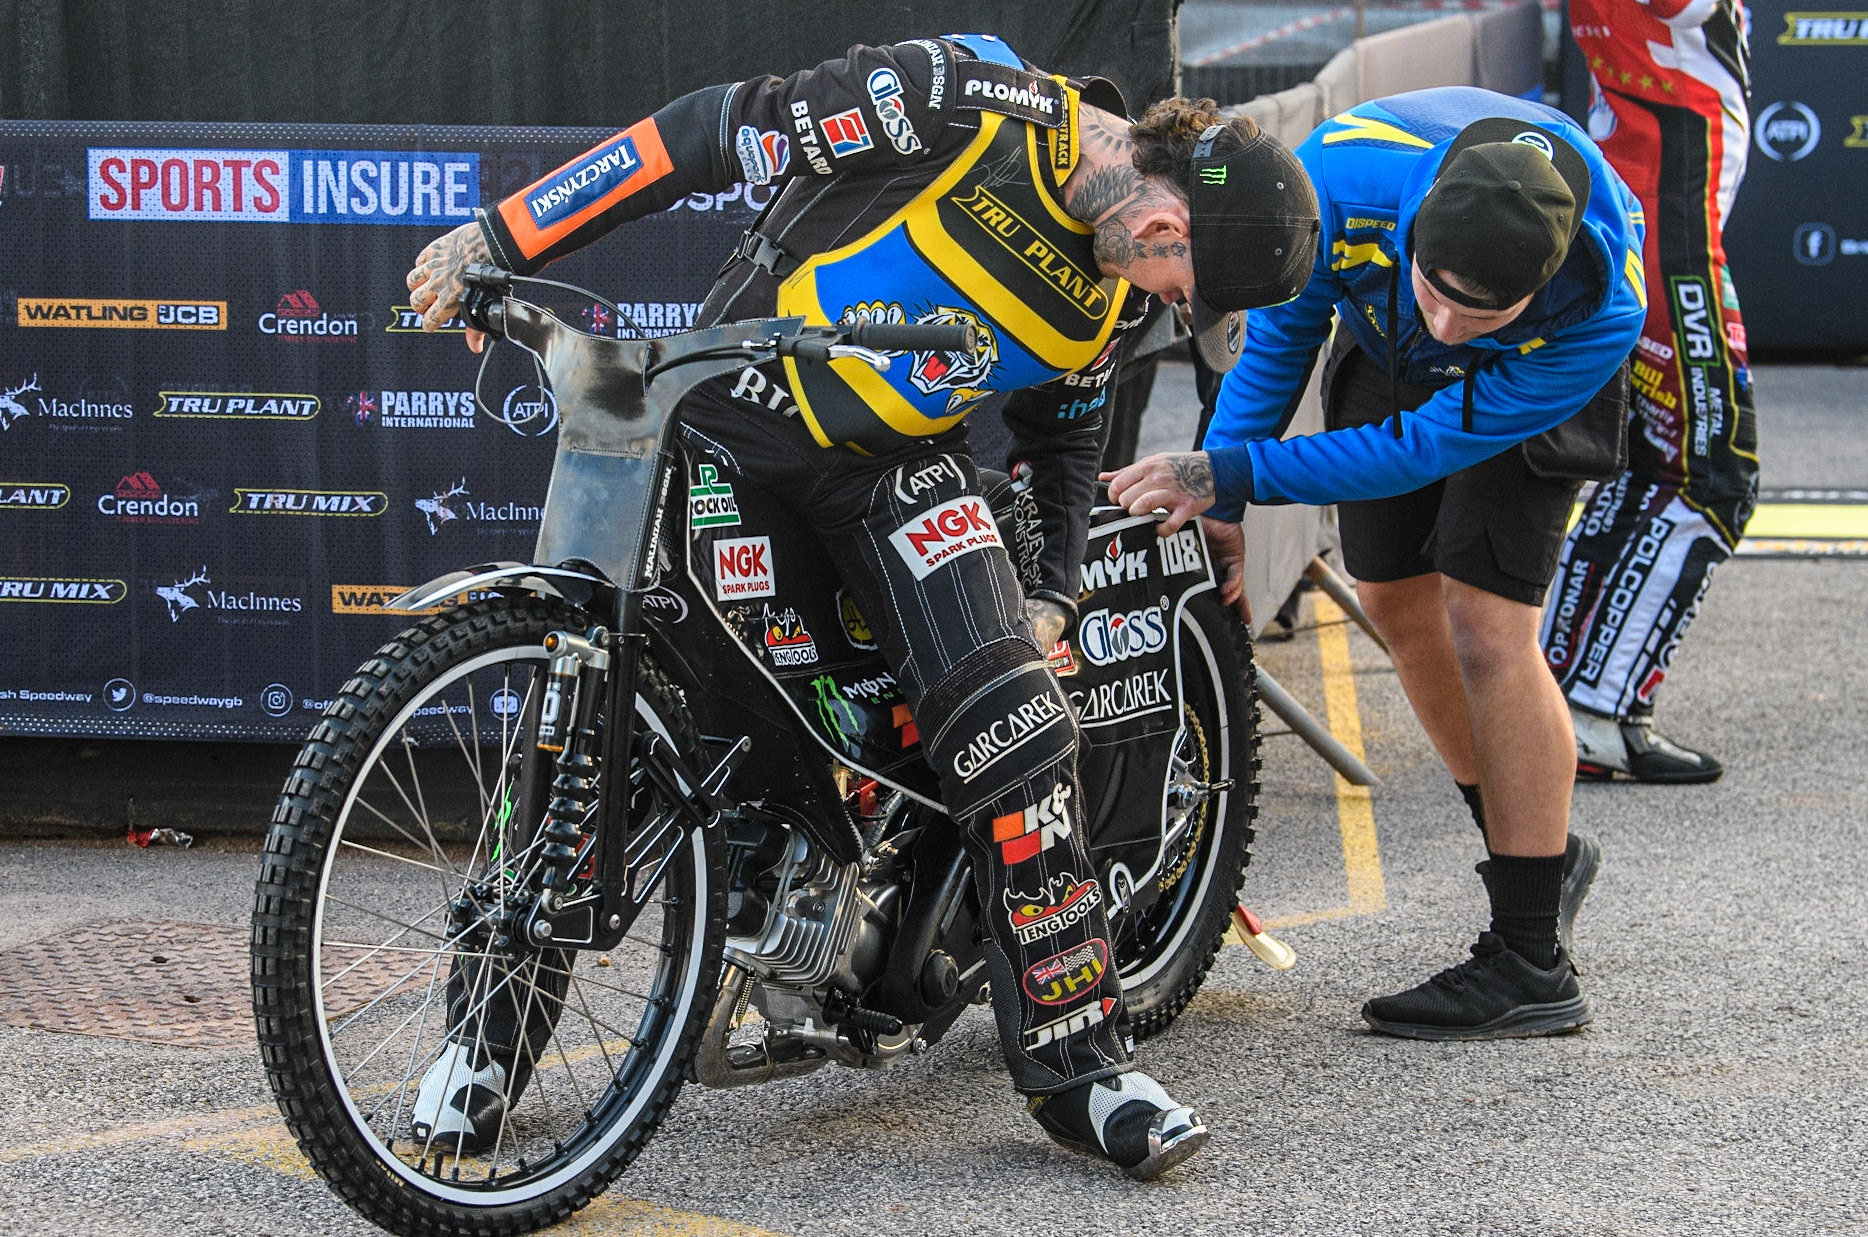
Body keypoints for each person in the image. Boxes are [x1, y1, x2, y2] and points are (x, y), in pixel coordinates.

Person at [404, 34, 1318, 1177]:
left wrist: (1048, 590)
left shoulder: (1107, 289)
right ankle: (481, 1049)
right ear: (1162, 228)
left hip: (894, 476)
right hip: (724, 431)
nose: (1168, 311)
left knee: (1017, 726)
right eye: (1182, 295)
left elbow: (1063, 432)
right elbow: (703, 130)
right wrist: (503, 236)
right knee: (589, 711)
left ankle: (1081, 1063)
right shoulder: (955, 103)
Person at [1105, 86, 1646, 1040]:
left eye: (1480, 309)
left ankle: (1530, 958)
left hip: (1515, 383)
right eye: (1438, 288)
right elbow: (1282, 338)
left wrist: (1229, 468)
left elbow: (1421, 448)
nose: (1448, 328)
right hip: (1375, 318)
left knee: (1487, 627)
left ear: (1537, 284)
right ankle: (1540, 856)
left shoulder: (1600, 310)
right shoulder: (1339, 180)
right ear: (1413, 229)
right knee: (1396, 601)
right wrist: (1220, 496)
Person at [1542, 0, 1759, 783]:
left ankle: (1563, 694)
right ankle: (1595, 708)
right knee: (1710, 476)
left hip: (1650, 206)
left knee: (1644, 472)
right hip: (1668, 219)